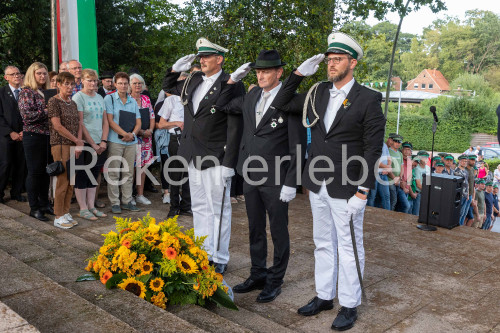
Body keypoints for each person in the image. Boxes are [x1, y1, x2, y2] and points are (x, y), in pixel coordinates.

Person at [295, 32, 385, 331]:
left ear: (352, 63)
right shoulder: (318, 92)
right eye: (329, 60)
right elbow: (283, 102)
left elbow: (373, 149)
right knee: (322, 242)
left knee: (349, 246)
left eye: (338, 60)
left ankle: (349, 303)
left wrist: (363, 191)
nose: (331, 65)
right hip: (317, 182)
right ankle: (324, 295)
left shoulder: (368, 99)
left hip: (347, 186)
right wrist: (298, 75)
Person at [222, 50, 308, 303]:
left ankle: (275, 280)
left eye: (266, 71)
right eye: (258, 71)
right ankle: (257, 273)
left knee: (279, 231)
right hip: (250, 174)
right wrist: (231, 81)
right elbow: (223, 105)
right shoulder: (250, 96)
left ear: (279, 72)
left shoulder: (290, 100)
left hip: (277, 178)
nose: (260, 75)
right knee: (255, 228)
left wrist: (292, 181)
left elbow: (298, 146)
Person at [162, 38, 245, 274]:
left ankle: (219, 256)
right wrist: (175, 69)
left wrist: (230, 161)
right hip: (192, 152)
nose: (202, 60)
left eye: (207, 56)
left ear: (219, 59)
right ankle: (202, 251)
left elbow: (234, 124)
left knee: (218, 208)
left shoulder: (231, 82)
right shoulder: (193, 79)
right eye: (200, 57)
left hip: (217, 155)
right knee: (199, 206)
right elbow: (168, 85)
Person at [47, 72, 83, 229]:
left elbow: (78, 125)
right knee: (62, 180)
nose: (69, 87)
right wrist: (76, 140)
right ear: (59, 85)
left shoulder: (72, 103)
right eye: (66, 84)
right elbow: (57, 126)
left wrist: (78, 144)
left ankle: (66, 211)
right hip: (60, 144)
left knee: (71, 181)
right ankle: (58, 215)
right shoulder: (53, 101)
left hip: (73, 145)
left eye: (72, 84)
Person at [72, 69, 109, 220]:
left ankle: (91, 206)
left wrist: (104, 141)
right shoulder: (78, 97)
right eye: (89, 80)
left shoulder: (100, 97)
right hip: (86, 142)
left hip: (100, 142)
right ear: (82, 81)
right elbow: (80, 123)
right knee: (82, 174)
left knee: (94, 174)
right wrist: (93, 143)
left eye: (95, 80)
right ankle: (83, 208)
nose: (93, 83)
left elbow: (105, 121)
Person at [18, 62, 53, 221]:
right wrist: (47, 111)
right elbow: (27, 116)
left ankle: (45, 203)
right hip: (33, 136)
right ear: (32, 74)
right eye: (39, 73)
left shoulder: (46, 91)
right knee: (34, 172)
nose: (42, 76)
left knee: (46, 172)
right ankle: (34, 208)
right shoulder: (26, 92)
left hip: (48, 135)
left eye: (44, 73)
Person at [104, 72, 142, 214]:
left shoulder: (132, 100)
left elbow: (138, 121)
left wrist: (132, 134)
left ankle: (127, 201)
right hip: (115, 140)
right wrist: (123, 134)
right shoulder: (110, 99)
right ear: (115, 84)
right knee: (114, 172)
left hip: (131, 141)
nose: (123, 86)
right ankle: (115, 202)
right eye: (120, 83)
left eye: (125, 83)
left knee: (128, 172)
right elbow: (110, 120)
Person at [158, 91, 192, 217]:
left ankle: (186, 206)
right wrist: (176, 123)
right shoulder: (171, 100)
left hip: (191, 140)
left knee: (189, 173)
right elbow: (161, 124)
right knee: (176, 174)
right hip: (176, 138)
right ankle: (174, 207)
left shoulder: (193, 98)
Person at [0, 66, 27, 204]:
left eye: (19, 73)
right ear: (6, 77)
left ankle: (16, 193)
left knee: (20, 164)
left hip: (23, 134)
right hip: (6, 136)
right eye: (13, 74)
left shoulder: (26, 92)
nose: (17, 76)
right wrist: (10, 132)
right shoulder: (1, 93)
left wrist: (24, 131)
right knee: (5, 164)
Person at [129, 73, 155, 205]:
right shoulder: (127, 99)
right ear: (130, 85)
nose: (138, 85)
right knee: (132, 167)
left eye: (139, 83)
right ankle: (130, 195)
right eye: (134, 83)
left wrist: (150, 130)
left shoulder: (146, 98)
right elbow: (127, 120)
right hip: (133, 138)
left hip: (146, 139)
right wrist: (139, 131)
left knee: (143, 167)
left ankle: (140, 194)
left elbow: (151, 116)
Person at [367, 139, 391, 210]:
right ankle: (370, 215)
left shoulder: (384, 145)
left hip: (383, 174)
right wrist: (387, 167)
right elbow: (374, 161)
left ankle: (387, 215)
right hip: (374, 174)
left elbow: (389, 158)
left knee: (386, 196)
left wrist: (387, 168)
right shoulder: (372, 143)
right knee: (372, 197)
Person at [408, 151, 431, 215]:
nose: (425, 159)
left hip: (425, 193)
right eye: (423, 158)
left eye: (426, 158)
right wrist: (426, 190)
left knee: (423, 212)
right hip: (419, 193)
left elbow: (428, 182)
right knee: (416, 212)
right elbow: (418, 184)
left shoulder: (428, 168)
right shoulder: (416, 168)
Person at [454, 155, 469, 226]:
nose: (464, 162)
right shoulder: (456, 171)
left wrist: (468, 194)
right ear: (459, 161)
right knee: (458, 213)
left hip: (465, 195)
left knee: (463, 213)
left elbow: (467, 183)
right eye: (463, 161)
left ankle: (460, 225)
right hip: (459, 195)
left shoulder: (466, 171)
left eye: (466, 161)